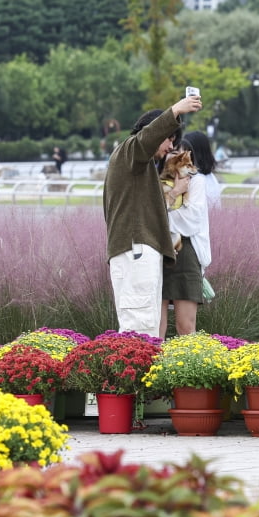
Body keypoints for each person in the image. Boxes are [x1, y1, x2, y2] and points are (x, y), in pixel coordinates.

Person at [102, 92, 203, 337]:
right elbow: (146, 139)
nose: (171, 146)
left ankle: (142, 374)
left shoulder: (137, 165)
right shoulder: (131, 152)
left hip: (138, 250)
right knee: (140, 328)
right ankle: (136, 375)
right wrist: (176, 110)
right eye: (167, 138)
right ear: (150, 134)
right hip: (137, 249)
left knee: (147, 327)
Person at [161, 130, 219, 337]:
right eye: (176, 152)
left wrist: (164, 213)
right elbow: (152, 214)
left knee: (186, 327)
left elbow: (192, 219)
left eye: (186, 155)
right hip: (159, 251)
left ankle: (186, 365)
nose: (179, 159)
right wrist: (172, 196)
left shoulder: (197, 181)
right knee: (154, 327)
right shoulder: (160, 179)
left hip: (185, 253)